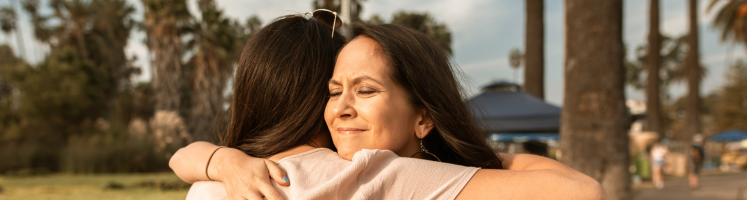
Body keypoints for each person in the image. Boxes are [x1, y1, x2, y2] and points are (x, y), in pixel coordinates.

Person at [171, 15, 605, 199]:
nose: (341, 107)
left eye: (365, 90)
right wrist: (474, 158)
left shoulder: (212, 189)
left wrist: (221, 160)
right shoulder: (378, 175)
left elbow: (181, 158)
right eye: (333, 90)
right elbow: (582, 192)